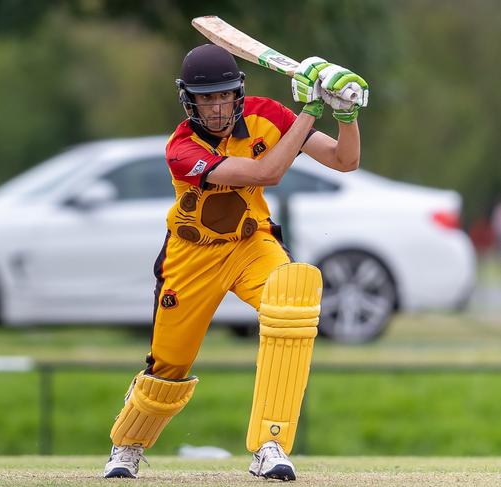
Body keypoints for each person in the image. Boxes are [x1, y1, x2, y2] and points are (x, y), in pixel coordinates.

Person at [103, 44, 367, 481]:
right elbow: (267, 174)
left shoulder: (269, 115)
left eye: (224, 95)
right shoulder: (181, 148)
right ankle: (127, 445)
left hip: (251, 245)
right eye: (206, 98)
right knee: (169, 366)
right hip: (191, 257)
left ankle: (271, 444)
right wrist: (311, 108)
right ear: (190, 100)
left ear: (237, 93)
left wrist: (346, 113)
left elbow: (346, 160)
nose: (217, 106)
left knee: (291, 303)